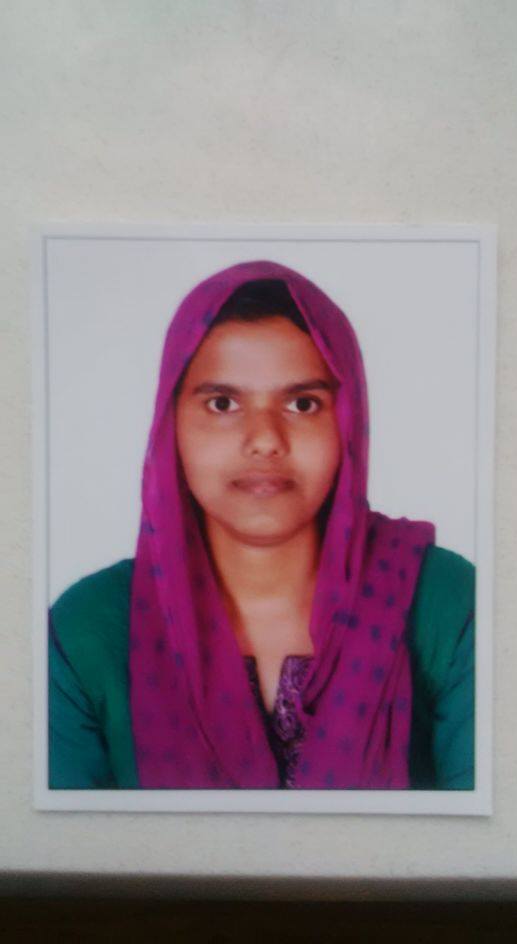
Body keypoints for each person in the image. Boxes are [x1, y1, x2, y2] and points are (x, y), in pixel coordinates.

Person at [49, 260, 475, 790]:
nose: (265, 439)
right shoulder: (87, 630)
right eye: (223, 403)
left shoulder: (445, 603)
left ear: (348, 422)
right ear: (170, 424)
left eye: (302, 403)